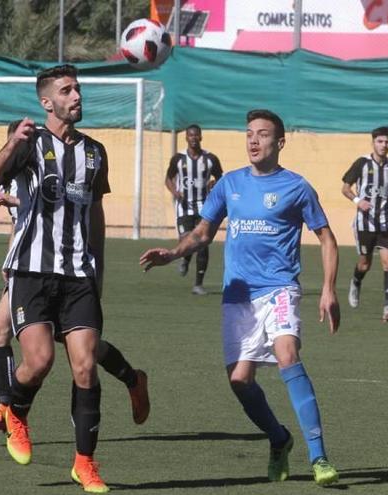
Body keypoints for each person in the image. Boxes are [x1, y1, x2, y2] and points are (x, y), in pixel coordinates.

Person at [140, 109, 341, 487]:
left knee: (287, 355)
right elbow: (202, 233)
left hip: (279, 287)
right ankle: (280, 439)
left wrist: (328, 289)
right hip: (238, 296)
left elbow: (327, 239)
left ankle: (319, 457)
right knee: (239, 380)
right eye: (249, 134)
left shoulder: (297, 187)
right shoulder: (229, 184)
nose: (253, 140)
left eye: (262, 135)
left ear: (279, 142)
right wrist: (172, 253)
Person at [0, 65, 113, 493]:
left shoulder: (95, 152)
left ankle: (85, 463)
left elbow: (95, 213)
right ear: (47, 102)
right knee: (38, 362)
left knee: (86, 367)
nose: (76, 96)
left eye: (77, 89)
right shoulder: (30, 143)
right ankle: (15, 411)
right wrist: (9, 144)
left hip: (78, 276)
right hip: (32, 271)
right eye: (66, 91)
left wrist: (99, 271)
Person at [0, 121, 149, 436]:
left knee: (79, 350)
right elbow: (21, 224)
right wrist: (9, 259)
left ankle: (132, 378)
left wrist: (99, 268)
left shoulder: (58, 167)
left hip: (68, 271)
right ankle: (5, 408)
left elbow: (48, 211)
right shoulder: (14, 174)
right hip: (28, 269)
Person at [341, 126, 388, 322]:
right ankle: (356, 281)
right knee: (365, 263)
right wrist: (357, 201)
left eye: (387, 142)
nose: (384, 145)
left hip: (387, 222)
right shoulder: (361, 163)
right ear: (373, 143)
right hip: (365, 223)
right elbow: (345, 188)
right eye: (380, 141)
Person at [165, 124, 223, 295]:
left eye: (196, 135)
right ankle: (185, 258)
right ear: (186, 138)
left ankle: (198, 284)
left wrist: (214, 183)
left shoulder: (211, 159)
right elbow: (168, 178)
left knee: (203, 244)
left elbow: (221, 177)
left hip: (204, 207)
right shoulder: (178, 159)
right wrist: (175, 192)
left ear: (201, 137)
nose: (194, 138)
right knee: (186, 239)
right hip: (184, 207)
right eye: (191, 135)